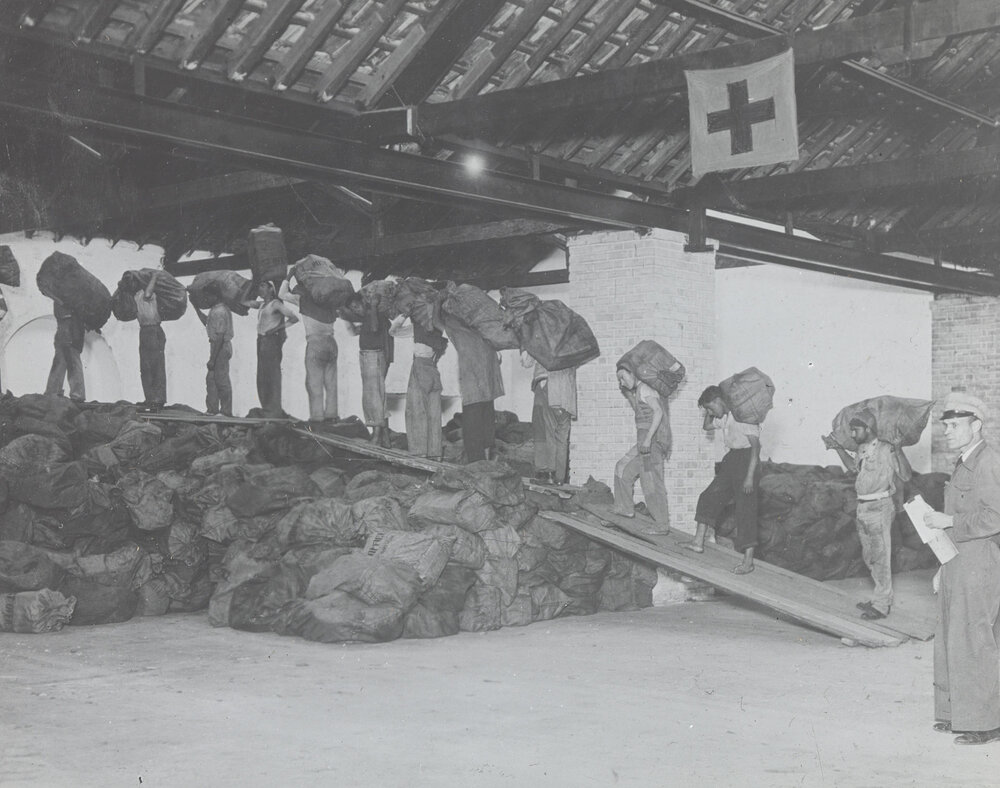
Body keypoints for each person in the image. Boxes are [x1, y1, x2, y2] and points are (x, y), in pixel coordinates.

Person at [923, 391, 1000, 745]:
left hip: (979, 560)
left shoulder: (988, 462)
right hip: (957, 561)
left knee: (974, 639)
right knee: (951, 635)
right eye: (946, 426)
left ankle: (985, 722)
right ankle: (955, 712)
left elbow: (994, 517)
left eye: (955, 425)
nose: (948, 432)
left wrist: (948, 520)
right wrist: (942, 566)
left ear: (977, 426)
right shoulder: (963, 461)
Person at [823, 408, 896, 620]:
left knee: (881, 557)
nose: (852, 435)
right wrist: (837, 448)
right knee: (870, 557)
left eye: (855, 430)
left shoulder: (886, 449)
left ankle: (882, 604)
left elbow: (905, 475)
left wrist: (897, 451)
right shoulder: (863, 448)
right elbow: (853, 469)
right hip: (862, 507)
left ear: (868, 428)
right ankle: (879, 597)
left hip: (879, 507)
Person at [686, 385, 761, 574]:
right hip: (731, 460)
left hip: (747, 461)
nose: (711, 412)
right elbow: (707, 426)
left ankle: (748, 562)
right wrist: (708, 409)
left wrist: (750, 477)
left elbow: (755, 448)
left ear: (720, 401)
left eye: (711, 408)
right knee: (708, 497)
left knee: (745, 510)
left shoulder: (744, 417)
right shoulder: (725, 418)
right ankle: (697, 542)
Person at [613, 365, 671, 528]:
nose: (622, 382)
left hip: (649, 446)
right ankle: (625, 508)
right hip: (643, 445)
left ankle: (661, 524)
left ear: (632, 373)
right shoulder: (639, 390)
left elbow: (658, 412)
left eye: (623, 377)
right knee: (622, 469)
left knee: (650, 482)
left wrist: (647, 440)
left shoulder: (646, 388)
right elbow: (641, 411)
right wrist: (628, 394)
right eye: (619, 380)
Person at [440, 313, 503, 463]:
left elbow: (438, 324)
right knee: (486, 427)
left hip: (473, 392)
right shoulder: (486, 337)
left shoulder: (462, 334)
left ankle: (477, 465)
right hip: (487, 391)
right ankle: (486, 462)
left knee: (472, 430)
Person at [280, 276, 339, 422]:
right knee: (331, 382)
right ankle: (332, 415)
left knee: (314, 382)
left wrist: (288, 277)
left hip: (315, 342)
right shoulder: (329, 302)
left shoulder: (303, 300)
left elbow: (281, 294)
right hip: (331, 342)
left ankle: (317, 417)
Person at [342, 291, 394, 447]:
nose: (356, 310)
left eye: (357, 305)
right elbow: (356, 332)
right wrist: (345, 319)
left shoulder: (372, 313)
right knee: (378, 396)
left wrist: (372, 305)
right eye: (353, 308)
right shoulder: (367, 317)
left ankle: (376, 436)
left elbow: (374, 328)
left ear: (363, 302)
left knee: (373, 397)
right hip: (368, 357)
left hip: (374, 357)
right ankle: (385, 437)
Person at [249, 280, 298, 417]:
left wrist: (276, 329)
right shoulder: (262, 305)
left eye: (263, 286)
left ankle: (273, 409)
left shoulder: (275, 304)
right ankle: (267, 408)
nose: (260, 288)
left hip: (270, 341)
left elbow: (293, 318)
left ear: (271, 289)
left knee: (272, 375)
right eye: (259, 286)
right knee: (262, 376)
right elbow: (244, 302)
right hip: (261, 341)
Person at [529, 360, 577, 485]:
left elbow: (526, 361)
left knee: (550, 433)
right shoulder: (573, 343)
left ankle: (550, 474)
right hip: (567, 393)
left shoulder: (545, 341)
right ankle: (560, 479)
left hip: (551, 386)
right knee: (562, 438)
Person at [405, 318, 447, 459]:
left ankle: (419, 451)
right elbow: (442, 345)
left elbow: (393, 331)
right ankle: (435, 453)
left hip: (420, 364)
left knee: (416, 409)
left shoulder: (418, 323)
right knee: (434, 411)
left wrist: (403, 315)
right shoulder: (439, 326)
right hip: (432, 367)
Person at [196, 298, 233, 417]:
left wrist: (213, 359)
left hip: (220, 346)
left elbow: (221, 336)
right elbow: (208, 323)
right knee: (211, 379)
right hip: (216, 345)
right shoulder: (215, 309)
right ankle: (212, 410)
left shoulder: (220, 311)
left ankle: (225, 411)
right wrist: (196, 308)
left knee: (221, 379)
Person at [134, 271, 166, 410]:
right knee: (145, 368)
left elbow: (148, 294)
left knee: (156, 366)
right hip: (144, 331)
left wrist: (154, 276)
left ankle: (158, 399)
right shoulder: (136, 294)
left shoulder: (150, 293)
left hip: (154, 330)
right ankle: (150, 398)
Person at [44, 297, 86, 402]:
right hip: (68, 331)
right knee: (62, 360)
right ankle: (54, 392)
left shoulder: (70, 296)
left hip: (71, 331)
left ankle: (75, 394)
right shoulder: (68, 295)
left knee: (70, 361)